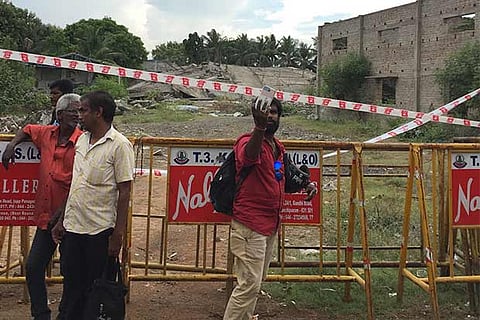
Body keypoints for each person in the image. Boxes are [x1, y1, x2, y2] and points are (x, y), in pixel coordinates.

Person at [223, 97, 318, 320]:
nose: (271, 115)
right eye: (267, 112)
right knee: (249, 285)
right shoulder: (247, 141)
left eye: (275, 112)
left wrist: (307, 184)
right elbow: (249, 157)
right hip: (250, 225)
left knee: (255, 282)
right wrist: (258, 127)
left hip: (269, 225)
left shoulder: (277, 148)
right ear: (257, 114)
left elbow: (284, 173)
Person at [51, 90, 134, 320]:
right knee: (71, 288)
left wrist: (117, 235)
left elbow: (125, 191)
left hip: (98, 232)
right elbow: (75, 184)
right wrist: (61, 220)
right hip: (73, 228)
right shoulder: (81, 141)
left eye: (83, 110)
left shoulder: (120, 146)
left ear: (99, 112)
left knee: (94, 292)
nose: (79, 115)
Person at [1, 93, 83, 320]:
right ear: (59, 114)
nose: (77, 116)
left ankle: (67, 314)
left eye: (79, 111)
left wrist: (63, 215)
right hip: (46, 218)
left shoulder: (83, 141)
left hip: (70, 218)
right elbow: (27, 128)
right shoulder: (46, 134)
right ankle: (41, 315)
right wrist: (12, 145)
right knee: (34, 267)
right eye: (72, 111)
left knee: (71, 272)